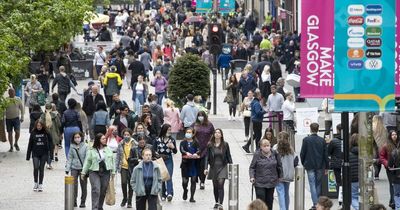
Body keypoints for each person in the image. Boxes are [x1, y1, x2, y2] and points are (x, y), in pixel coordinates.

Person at [81, 133, 116, 210]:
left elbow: (112, 161)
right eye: (103, 139)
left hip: (106, 172)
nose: (105, 140)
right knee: (96, 189)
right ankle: (95, 207)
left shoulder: (108, 149)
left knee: (103, 190)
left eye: (105, 138)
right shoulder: (91, 150)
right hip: (94, 171)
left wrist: (113, 172)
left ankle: (100, 207)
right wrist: (83, 172)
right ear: (98, 140)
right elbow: (87, 161)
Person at [300, 123, 328, 209]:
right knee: (318, 184)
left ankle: (315, 203)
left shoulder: (306, 140)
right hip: (320, 165)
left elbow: (302, 153)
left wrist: (303, 163)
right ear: (318, 129)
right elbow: (325, 155)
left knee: (312, 184)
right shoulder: (322, 140)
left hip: (309, 164)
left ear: (310, 129)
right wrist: (327, 166)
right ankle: (317, 203)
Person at [249, 139, 282, 210]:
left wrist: (280, 176)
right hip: (259, 182)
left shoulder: (274, 153)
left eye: (268, 145)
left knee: (269, 201)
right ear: (261, 147)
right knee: (261, 202)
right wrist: (252, 177)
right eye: (264, 146)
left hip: (271, 181)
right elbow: (252, 167)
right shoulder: (257, 154)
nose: (266, 147)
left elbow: (279, 166)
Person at [204, 129, 233, 209]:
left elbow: (228, 156)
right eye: (215, 132)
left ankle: (221, 203)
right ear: (213, 134)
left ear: (221, 135)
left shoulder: (225, 144)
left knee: (220, 184)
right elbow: (207, 157)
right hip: (213, 167)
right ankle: (216, 201)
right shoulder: (210, 144)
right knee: (215, 186)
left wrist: (232, 167)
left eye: (219, 133)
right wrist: (206, 168)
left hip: (223, 166)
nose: (217, 134)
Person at [273, 131, 298, 210]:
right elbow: (296, 161)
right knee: (286, 193)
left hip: (278, 174)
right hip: (288, 174)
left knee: (280, 193)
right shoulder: (291, 149)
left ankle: (283, 209)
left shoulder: (275, 148)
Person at [26, 120, 53, 192]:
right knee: (35, 167)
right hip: (35, 153)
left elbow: (51, 143)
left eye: (40, 126)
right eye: (37, 126)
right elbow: (30, 144)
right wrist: (28, 155)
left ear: (42, 126)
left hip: (44, 153)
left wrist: (51, 155)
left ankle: (40, 184)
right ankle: (35, 182)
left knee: (41, 168)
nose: (39, 127)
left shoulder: (46, 133)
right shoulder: (33, 133)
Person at [192, 111, 215, 189]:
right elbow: (190, 133)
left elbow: (213, 133)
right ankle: (198, 178)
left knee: (203, 165)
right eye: (199, 115)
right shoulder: (195, 124)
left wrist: (211, 141)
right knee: (197, 165)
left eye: (202, 115)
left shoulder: (209, 125)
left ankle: (202, 181)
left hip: (206, 148)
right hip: (196, 148)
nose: (200, 117)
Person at [154, 124, 178, 201]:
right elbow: (153, 150)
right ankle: (163, 193)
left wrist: (173, 147)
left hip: (168, 159)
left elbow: (175, 151)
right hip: (160, 159)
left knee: (169, 176)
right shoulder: (157, 139)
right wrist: (157, 156)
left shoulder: (172, 140)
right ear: (164, 130)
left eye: (170, 130)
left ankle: (170, 193)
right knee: (162, 177)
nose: (169, 131)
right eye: (168, 130)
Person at [65, 132, 88, 208]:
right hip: (74, 167)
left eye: (78, 137)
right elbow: (70, 158)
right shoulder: (72, 146)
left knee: (83, 186)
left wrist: (85, 169)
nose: (77, 139)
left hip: (83, 168)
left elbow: (87, 159)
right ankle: (74, 201)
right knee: (73, 185)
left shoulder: (85, 146)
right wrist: (67, 168)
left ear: (81, 137)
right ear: (73, 138)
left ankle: (83, 202)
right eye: (75, 137)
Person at [115, 128, 136, 208]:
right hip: (123, 166)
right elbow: (118, 156)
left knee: (131, 184)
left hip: (132, 166)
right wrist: (116, 168)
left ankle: (130, 200)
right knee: (123, 183)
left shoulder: (134, 143)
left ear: (131, 135)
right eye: (125, 135)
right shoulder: (120, 144)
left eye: (128, 135)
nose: (126, 136)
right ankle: (125, 198)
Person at [180, 127, 201, 202]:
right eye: (187, 132)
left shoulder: (196, 142)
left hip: (194, 164)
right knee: (184, 182)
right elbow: (181, 149)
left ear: (193, 134)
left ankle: (192, 197)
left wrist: (196, 153)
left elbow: (199, 149)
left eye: (190, 132)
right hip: (185, 164)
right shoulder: (183, 142)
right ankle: (185, 190)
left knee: (193, 180)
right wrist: (186, 153)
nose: (188, 134)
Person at [380, 130, 399, 209]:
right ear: (390, 136)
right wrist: (387, 164)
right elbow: (382, 156)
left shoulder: (398, 144)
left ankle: (393, 201)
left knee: (396, 185)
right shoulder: (386, 145)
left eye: (395, 134)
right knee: (392, 185)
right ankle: (393, 202)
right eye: (393, 135)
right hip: (390, 169)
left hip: (397, 168)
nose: (394, 136)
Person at [40, 103, 61, 169]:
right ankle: (49, 162)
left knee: (45, 149)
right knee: (51, 149)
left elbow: (40, 125)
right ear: (51, 108)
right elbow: (59, 125)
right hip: (53, 134)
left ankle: (45, 161)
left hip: (44, 134)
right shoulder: (55, 116)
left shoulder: (42, 116)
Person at [327, 124, 343, 202]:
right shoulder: (348, 139)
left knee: (338, 181)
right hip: (346, 163)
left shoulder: (333, 141)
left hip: (336, 164)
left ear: (337, 130)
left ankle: (340, 196)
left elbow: (328, 152)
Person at [373, 115, 387, 180]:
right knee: (380, 160)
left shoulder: (372, 127)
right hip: (382, 146)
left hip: (374, 146)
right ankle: (377, 174)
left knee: (375, 160)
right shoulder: (384, 128)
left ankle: (376, 174)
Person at [349, 134, 360, 210]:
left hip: (353, 178)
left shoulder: (349, 154)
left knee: (353, 197)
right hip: (362, 178)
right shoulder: (363, 152)